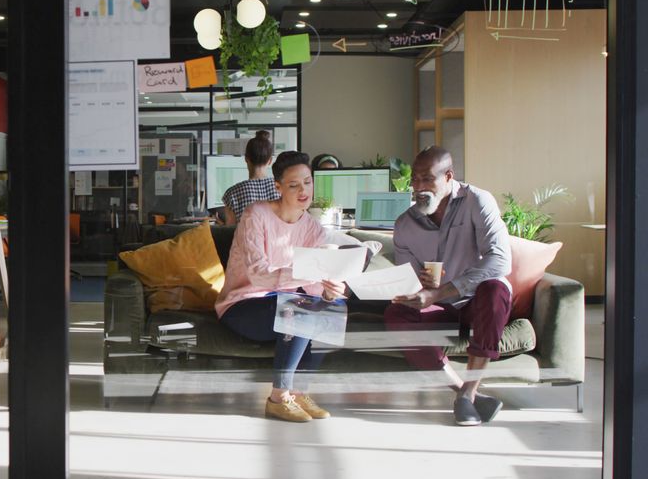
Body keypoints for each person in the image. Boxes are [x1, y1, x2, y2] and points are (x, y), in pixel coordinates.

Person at [216, 151, 375, 423]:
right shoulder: (257, 214)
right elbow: (258, 274)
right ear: (277, 187)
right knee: (299, 308)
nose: (304, 190)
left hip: (283, 302)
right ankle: (278, 397)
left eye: (308, 182)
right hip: (243, 303)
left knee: (332, 308)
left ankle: (299, 392)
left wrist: (329, 290)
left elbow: (313, 288)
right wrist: (308, 274)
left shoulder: (313, 229)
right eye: (294, 185)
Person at [384, 147, 512, 426]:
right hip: (440, 306)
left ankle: (469, 391)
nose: (418, 187)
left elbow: (500, 260)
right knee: (396, 314)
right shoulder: (405, 224)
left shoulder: (477, 201)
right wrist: (416, 290)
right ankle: (466, 395)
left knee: (495, 289)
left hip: (477, 299)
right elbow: (409, 278)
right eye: (414, 180)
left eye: (427, 179)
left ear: (448, 177)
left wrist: (442, 291)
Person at [221, 135, 279, 225]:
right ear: (270, 160)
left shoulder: (232, 194)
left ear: (246, 159)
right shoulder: (282, 188)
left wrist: (222, 226)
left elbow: (231, 231)